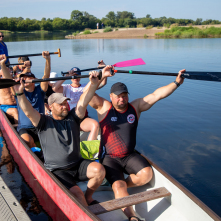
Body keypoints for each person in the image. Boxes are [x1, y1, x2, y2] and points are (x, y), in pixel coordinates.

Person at [89, 70, 185, 221]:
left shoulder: (135, 107)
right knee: (118, 186)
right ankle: (132, 216)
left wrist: (177, 83)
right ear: (111, 97)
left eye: (124, 95)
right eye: (118, 96)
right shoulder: (104, 107)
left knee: (147, 175)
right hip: (110, 158)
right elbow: (88, 95)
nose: (122, 99)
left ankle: (120, 186)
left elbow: (157, 95)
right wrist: (99, 77)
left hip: (129, 155)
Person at [12, 66, 113, 206]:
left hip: (77, 164)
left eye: (66, 103)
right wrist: (19, 94)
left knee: (99, 171)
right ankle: (83, 203)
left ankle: (89, 197)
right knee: (77, 196)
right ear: (51, 106)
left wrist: (96, 82)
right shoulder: (43, 122)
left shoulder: (73, 118)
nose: (65, 106)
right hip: (58, 170)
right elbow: (28, 111)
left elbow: (84, 99)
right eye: (61, 104)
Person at [0, 52, 51, 148]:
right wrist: (2, 64)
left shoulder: (40, 90)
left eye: (28, 77)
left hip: (40, 125)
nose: (25, 79)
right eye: (23, 77)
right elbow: (8, 79)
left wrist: (48, 60)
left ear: (33, 80)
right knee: (28, 141)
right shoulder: (19, 92)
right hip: (25, 128)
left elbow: (46, 76)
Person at [52, 61, 108, 141]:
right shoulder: (66, 87)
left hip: (83, 118)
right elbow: (54, 88)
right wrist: (67, 76)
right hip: (69, 117)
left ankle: (89, 151)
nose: (76, 78)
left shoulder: (87, 86)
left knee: (95, 125)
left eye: (77, 75)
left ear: (80, 77)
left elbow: (103, 83)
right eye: (74, 76)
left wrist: (103, 70)